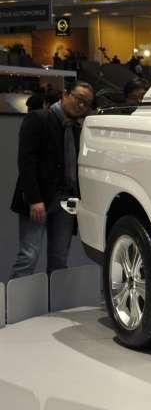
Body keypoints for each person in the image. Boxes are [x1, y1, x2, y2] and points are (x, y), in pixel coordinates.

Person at [9, 82, 94, 278]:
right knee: (28, 256)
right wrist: (34, 199)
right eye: (78, 99)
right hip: (38, 199)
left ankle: (53, 299)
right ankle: (18, 299)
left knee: (59, 259)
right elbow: (26, 162)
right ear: (65, 95)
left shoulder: (77, 129)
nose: (81, 105)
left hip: (66, 202)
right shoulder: (38, 118)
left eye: (86, 103)